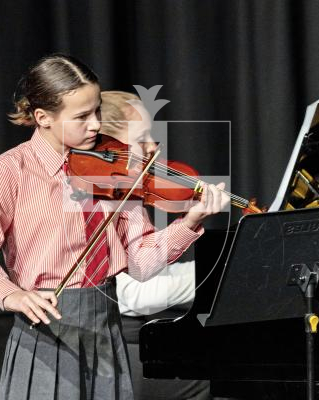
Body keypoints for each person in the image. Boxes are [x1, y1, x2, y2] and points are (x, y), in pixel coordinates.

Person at [0, 54, 230, 400]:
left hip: (105, 325)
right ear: (43, 118)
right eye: (82, 117)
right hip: (47, 325)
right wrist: (9, 293)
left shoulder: (111, 171)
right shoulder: (12, 170)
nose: (96, 125)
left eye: (97, 111)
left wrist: (190, 222)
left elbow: (141, 263)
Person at [99, 90, 211, 400]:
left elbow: (143, 268)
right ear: (108, 145)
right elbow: (133, 295)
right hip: (108, 348)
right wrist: (214, 279)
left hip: (134, 336)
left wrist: (189, 225)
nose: (153, 147)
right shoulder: (96, 199)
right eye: (142, 137)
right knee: (205, 381)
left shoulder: (127, 194)